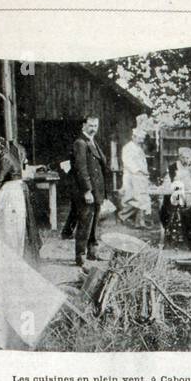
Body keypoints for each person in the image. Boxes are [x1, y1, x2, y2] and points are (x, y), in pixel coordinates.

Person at [70, 114, 108, 269]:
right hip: (87, 192)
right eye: (91, 126)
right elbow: (81, 169)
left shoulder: (92, 142)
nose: (93, 129)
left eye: (96, 126)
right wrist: (87, 191)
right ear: (83, 126)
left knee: (94, 224)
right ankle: (80, 256)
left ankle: (92, 252)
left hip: (97, 192)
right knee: (85, 224)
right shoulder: (80, 143)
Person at [0, 135, 27, 257]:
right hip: (11, 190)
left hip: (11, 192)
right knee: (10, 225)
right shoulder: (7, 156)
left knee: (10, 225)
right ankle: (13, 254)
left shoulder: (5, 159)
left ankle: (12, 255)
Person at [118, 126, 152, 228]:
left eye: (142, 139)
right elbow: (128, 162)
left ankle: (139, 222)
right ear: (133, 137)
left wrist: (145, 172)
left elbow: (143, 163)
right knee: (134, 198)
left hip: (140, 177)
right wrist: (139, 171)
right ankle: (122, 216)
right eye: (139, 138)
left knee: (142, 198)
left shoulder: (139, 148)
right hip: (131, 176)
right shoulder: (128, 148)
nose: (141, 140)